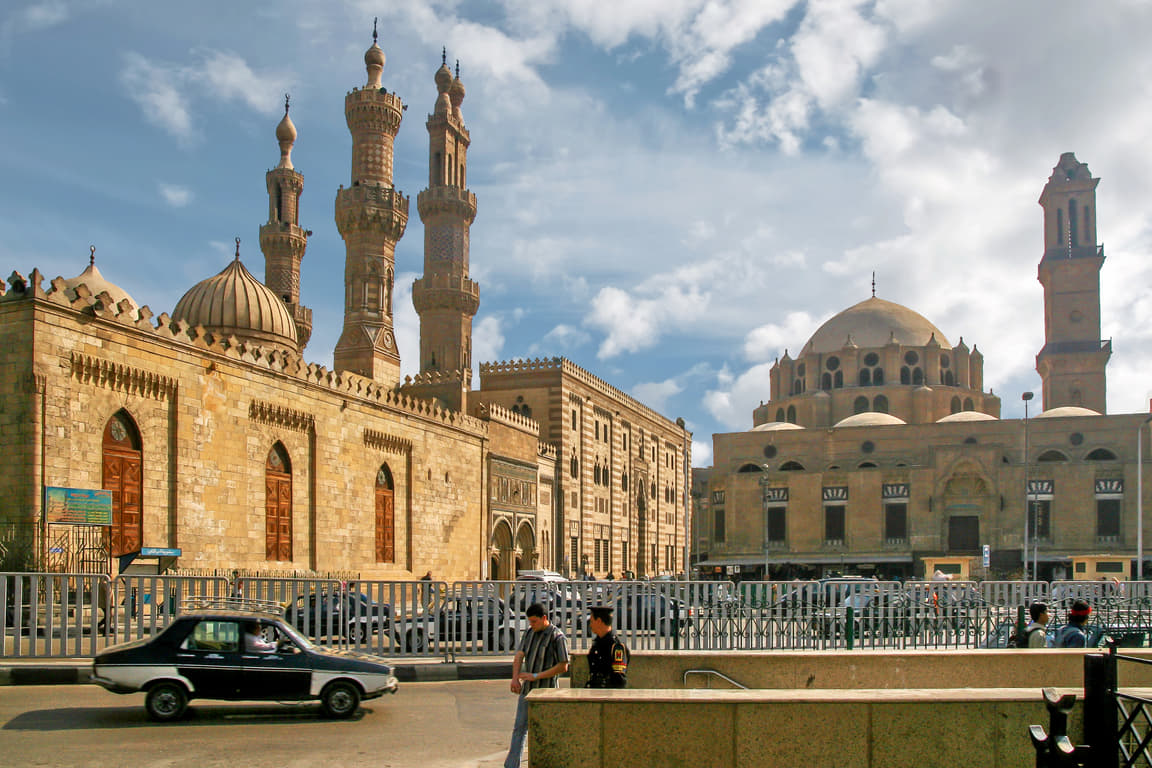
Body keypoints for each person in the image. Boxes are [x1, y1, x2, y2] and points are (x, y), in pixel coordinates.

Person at [504, 603, 569, 768]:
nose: (532, 625)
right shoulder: (529, 634)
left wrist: (536, 676)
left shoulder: (557, 637)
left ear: (544, 618)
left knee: (546, 729)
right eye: (530, 622)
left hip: (546, 692)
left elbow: (563, 666)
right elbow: (519, 655)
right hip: (528, 691)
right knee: (520, 727)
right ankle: (512, 765)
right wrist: (515, 678)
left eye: (534, 621)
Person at [585, 606, 629, 688]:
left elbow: (619, 680)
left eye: (591, 621)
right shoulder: (597, 643)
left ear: (599, 621)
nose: (590, 625)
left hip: (607, 695)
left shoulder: (616, 646)